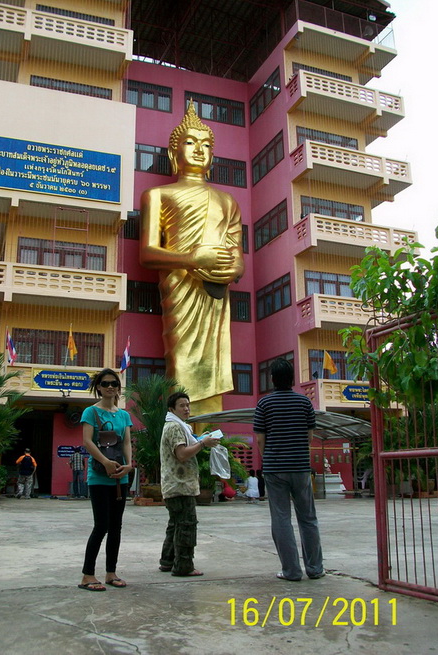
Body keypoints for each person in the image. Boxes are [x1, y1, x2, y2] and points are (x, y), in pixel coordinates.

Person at [140, 102, 244, 415]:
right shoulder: (158, 195)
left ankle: (212, 442)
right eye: (190, 142)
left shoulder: (228, 201)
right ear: (174, 154)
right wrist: (191, 258)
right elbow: (146, 254)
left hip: (214, 295)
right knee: (181, 361)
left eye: (206, 144)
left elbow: (236, 253)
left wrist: (234, 267)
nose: (199, 149)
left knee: (213, 368)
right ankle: (181, 437)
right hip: (180, 292)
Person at [253, 358, 324, 581]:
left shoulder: (264, 404)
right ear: (292, 378)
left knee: (281, 518)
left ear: (272, 379)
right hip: (300, 467)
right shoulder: (305, 403)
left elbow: (260, 440)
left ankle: (291, 571)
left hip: (275, 468)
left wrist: (270, 461)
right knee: (308, 519)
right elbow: (309, 437)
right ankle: (315, 569)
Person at [78, 368, 133, 592]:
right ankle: (87, 575)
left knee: (116, 527)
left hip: (121, 478)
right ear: (98, 387)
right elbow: (87, 441)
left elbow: (127, 442)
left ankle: (111, 573)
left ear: (118, 388)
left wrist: (129, 465)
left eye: (114, 383)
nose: (110, 387)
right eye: (106, 383)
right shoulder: (91, 412)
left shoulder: (124, 415)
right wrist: (105, 462)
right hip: (100, 477)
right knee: (101, 525)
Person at [159, 391, 220, 576]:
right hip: (180, 485)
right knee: (186, 525)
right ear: (172, 409)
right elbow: (182, 454)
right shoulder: (176, 428)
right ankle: (184, 566)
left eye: (188, 405)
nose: (186, 409)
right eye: (182, 406)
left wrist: (202, 440)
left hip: (176, 485)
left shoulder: (177, 426)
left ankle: (167, 561)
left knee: (175, 524)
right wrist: (203, 444)